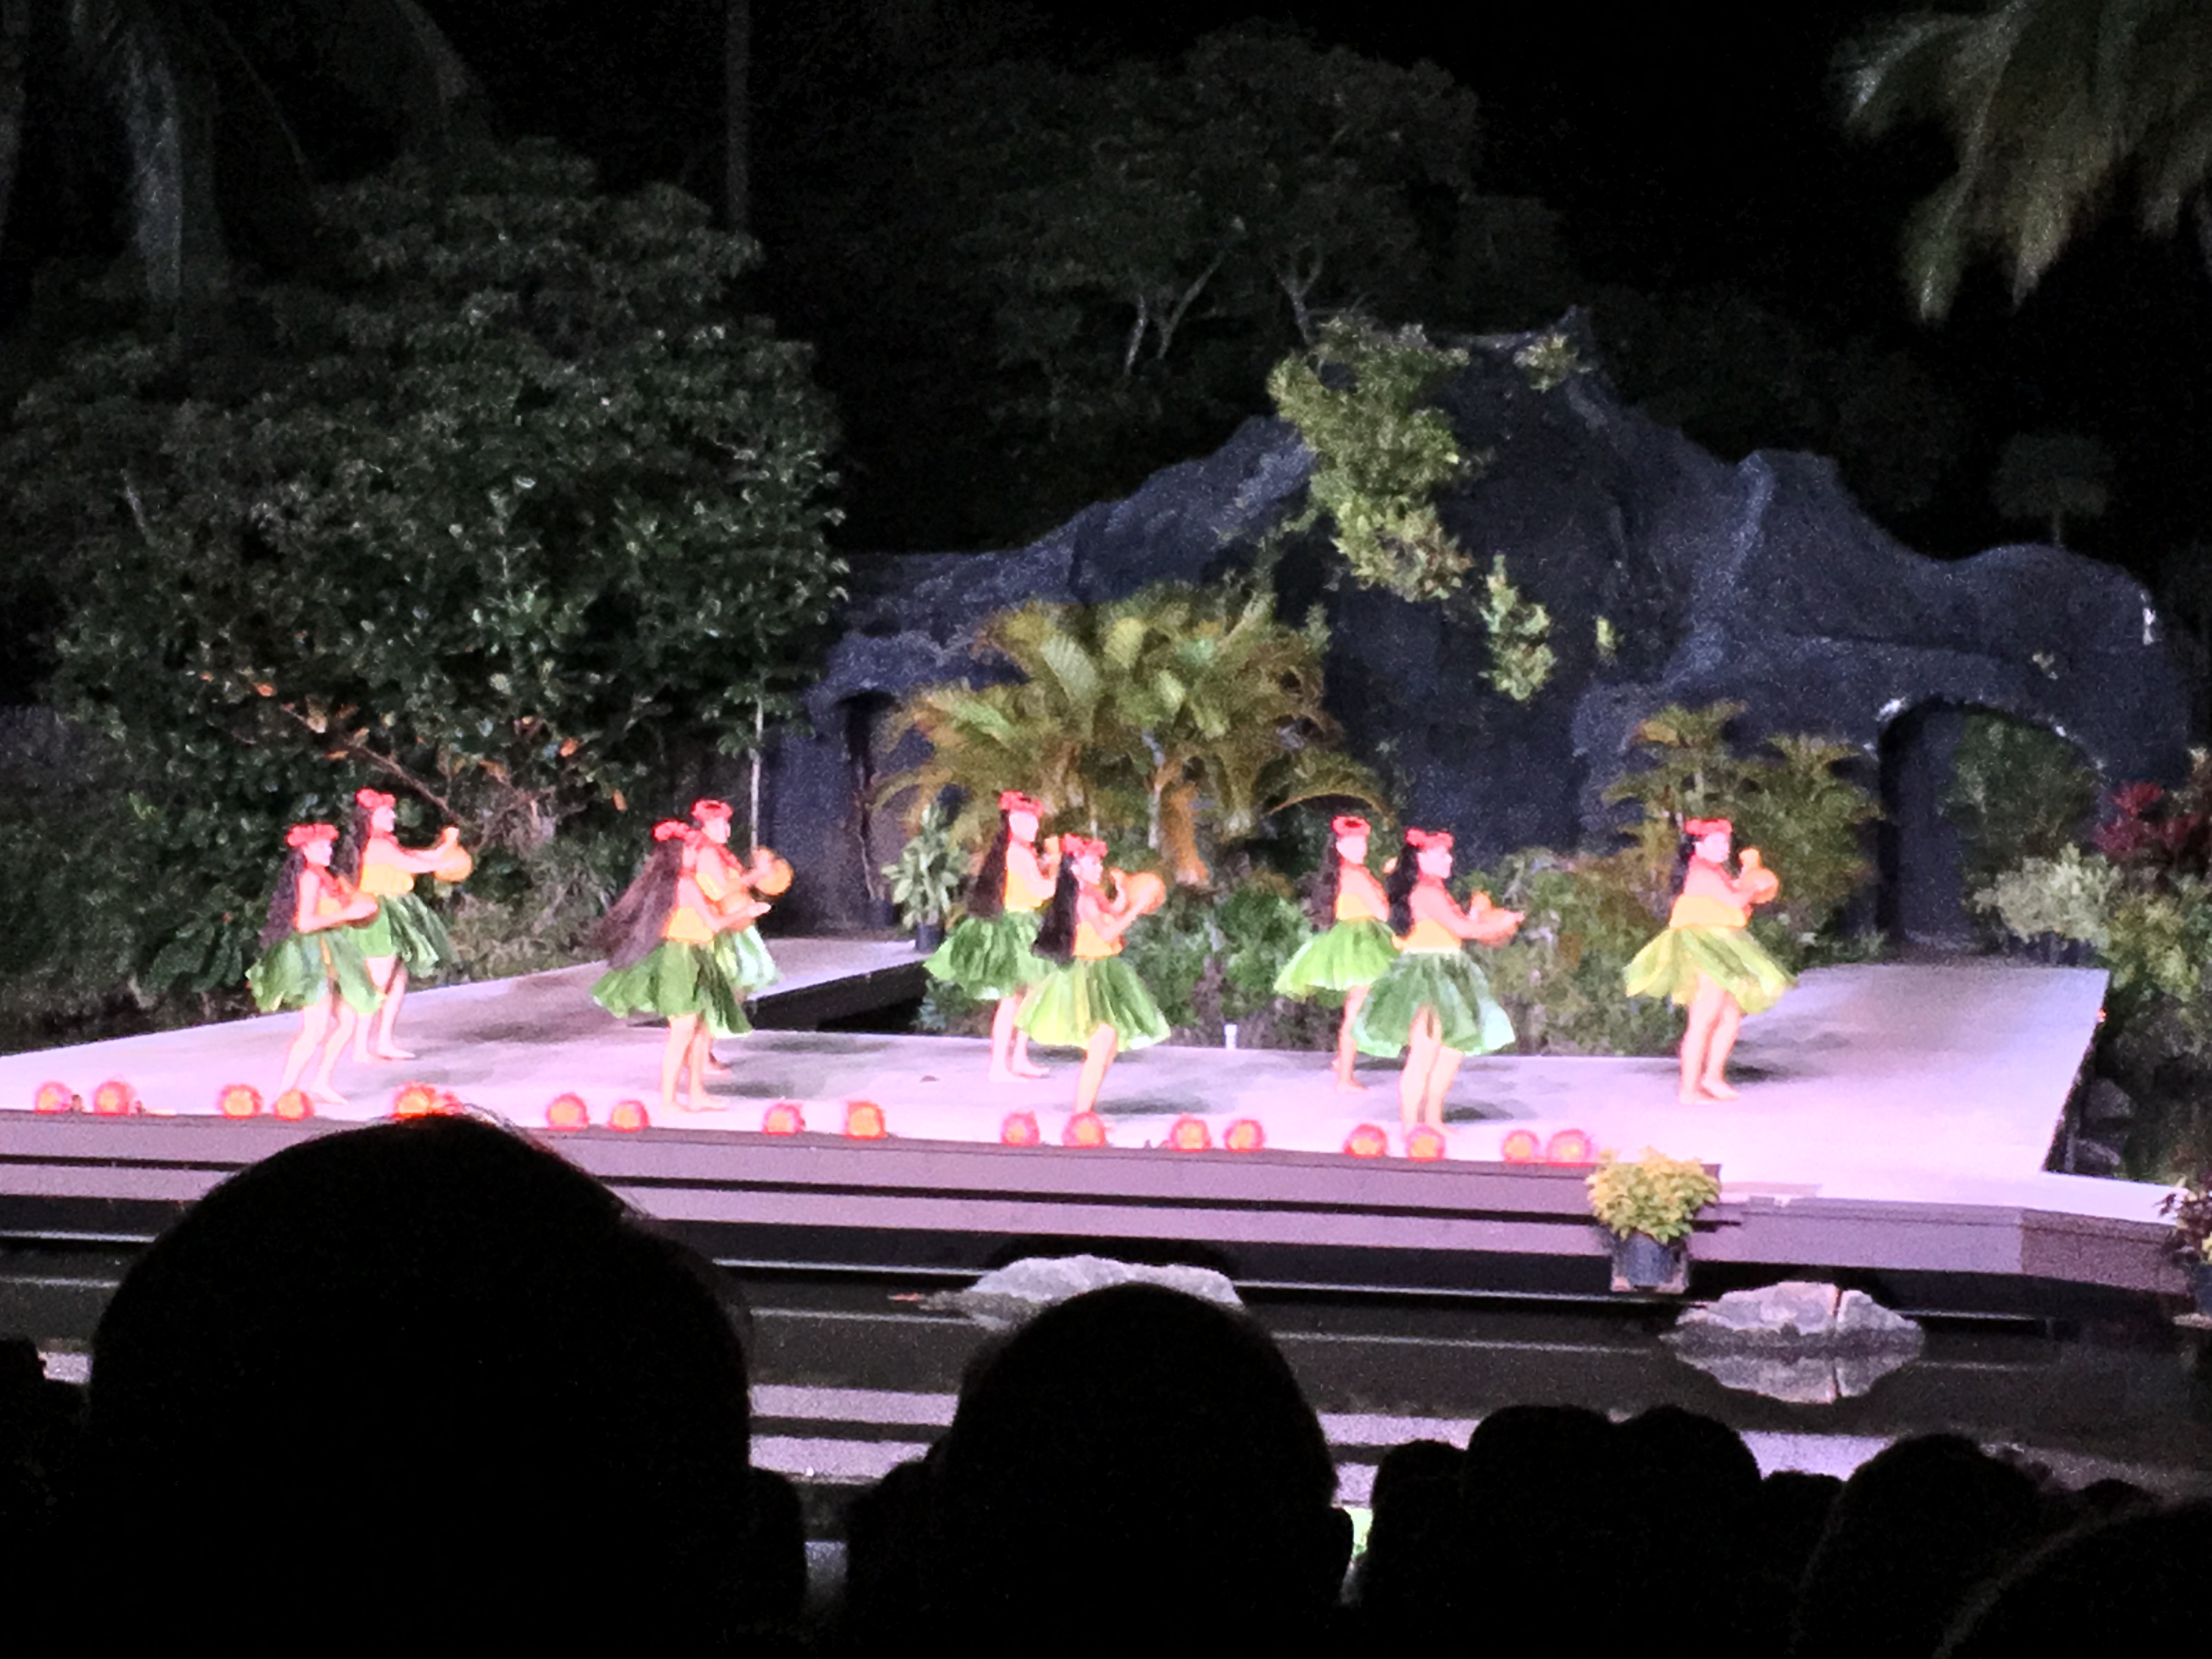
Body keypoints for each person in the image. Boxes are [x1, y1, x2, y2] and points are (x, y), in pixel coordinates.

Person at [1352, 828, 1521, 1136]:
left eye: (1448, 855)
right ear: (1421, 859)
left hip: (1448, 970)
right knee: (1425, 1052)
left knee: (1451, 1051)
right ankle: (1409, 1127)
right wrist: (1501, 923)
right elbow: (1463, 930)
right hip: (1427, 975)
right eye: (1441, 855)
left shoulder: (1436, 890)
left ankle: (1432, 1118)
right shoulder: (1426, 893)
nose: (1449, 860)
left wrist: (1480, 914)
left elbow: (1458, 927)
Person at [591, 820, 766, 1114]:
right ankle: (669, 1101)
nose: (695, 853)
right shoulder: (685, 885)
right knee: (683, 1031)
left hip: (694, 954)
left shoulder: (676, 883)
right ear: (678, 854)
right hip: (683, 958)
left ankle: (697, 1094)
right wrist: (747, 912)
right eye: (690, 850)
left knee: (699, 1030)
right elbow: (713, 925)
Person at [1622, 816, 1793, 1104]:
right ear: (1698, 847)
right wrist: (1756, 886)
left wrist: (1746, 880)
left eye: (1725, 843)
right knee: (1704, 1017)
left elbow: (1732, 897)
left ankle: (1713, 1077)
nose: (1724, 848)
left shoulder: (1715, 871)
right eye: (1715, 843)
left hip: (1721, 944)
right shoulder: (1701, 872)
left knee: (1730, 1014)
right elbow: (1736, 901)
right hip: (1704, 948)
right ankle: (1689, 1089)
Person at [1018, 835, 1167, 1116]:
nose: (1100, 868)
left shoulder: (1092, 895)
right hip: (1087, 977)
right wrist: (1136, 909)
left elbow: (1110, 914)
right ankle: (1082, 1115)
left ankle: (1086, 1109)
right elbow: (1108, 933)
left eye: (1099, 862)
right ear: (1076, 869)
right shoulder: (1083, 900)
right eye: (1093, 863)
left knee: (1107, 1048)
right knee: (1101, 1047)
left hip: (1103, 972)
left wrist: (1123, 898)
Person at [926, 790, 1057, 1082]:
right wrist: (1058, 867)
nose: (1034, 827)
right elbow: (1042, 891)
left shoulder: (1016, 852)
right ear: (1012, 823)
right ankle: (999, 1066)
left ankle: (1019, 1058)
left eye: (1034, 821)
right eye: (1026, 821)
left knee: (1027, 994)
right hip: (1014, 928)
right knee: (1011, 999)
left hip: (1021, 923)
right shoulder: (1018, 854)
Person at [244, 822, 379, 1106]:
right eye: (321, 847)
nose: (328, 851)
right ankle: (286, 1092)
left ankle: (321, 1082)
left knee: (349, 1021)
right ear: (305, 850)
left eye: (329, 846)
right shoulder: (310, 879)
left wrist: (357, 908)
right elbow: (304, 923)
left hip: (329, 953)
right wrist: (348, 914)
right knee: (315, 1030)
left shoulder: (325, 877)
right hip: (311, 957)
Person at [337, 787, 466, 1063]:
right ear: (371, 818)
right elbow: (414, 865)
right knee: (378, 982)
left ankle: (384, 1042)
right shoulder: (378, 846)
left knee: (397, 980)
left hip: (393, 910)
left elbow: (418, 857)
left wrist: (444, 850)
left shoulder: (387, 842)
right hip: (380, 915)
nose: (393, 817)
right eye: (386, 813)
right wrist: (446, 858)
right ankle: (361, 1048)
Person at [1275, 814, 1397, 1092]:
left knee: (1361, 1004)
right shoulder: (1357, 875)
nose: (1361, 848)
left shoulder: (1343, 872)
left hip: (1351, 938)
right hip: (1361, 943)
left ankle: (1343, 1061)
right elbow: (1382, 912)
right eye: (1354, 843)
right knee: (1357, 1008)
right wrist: (1386, 883)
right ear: (1340, 847)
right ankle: (1344, 1078)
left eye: (1363, 842)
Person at [688, 798, 788, 1071]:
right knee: (723, 992)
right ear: (705, 826)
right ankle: (700, 1055)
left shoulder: (718, 852)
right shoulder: (707, 853)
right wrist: (759, 874)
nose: (726, 829)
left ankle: (701, 1053)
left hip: (736, 926)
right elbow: (722, 889)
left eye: (727, 823)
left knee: (733, 990)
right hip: (723, 930)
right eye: (719, 824)